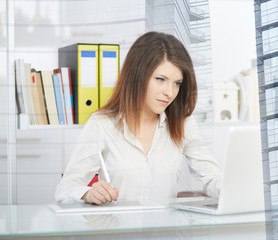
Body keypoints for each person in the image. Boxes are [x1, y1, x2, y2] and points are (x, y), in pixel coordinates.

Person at [55, 31, 222, 205]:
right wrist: (87, 193)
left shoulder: (183, 124)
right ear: (137, 75)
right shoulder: (102, 124)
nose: (170, 92)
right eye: (160, 79)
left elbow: (212, 177)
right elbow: (65, 188)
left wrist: (223, 188)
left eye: (177, 83)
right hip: (118, 228)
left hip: (166, 229)